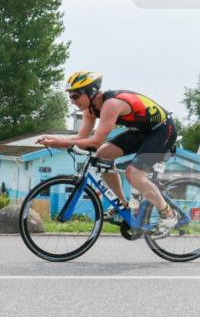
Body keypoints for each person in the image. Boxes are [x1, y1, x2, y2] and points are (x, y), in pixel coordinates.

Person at [37, 71, 180, 233]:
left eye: (75, 96)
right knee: (102, 155)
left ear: (91, 92)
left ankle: (168, 214)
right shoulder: (90, 110)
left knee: (133, 174)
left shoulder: (111, 104)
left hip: (162, 129)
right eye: (70, 97)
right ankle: (122, 205)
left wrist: (59, 143)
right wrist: (54, 139)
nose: (72, 101)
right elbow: (81, 138)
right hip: (140, 130)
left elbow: (96, 141)